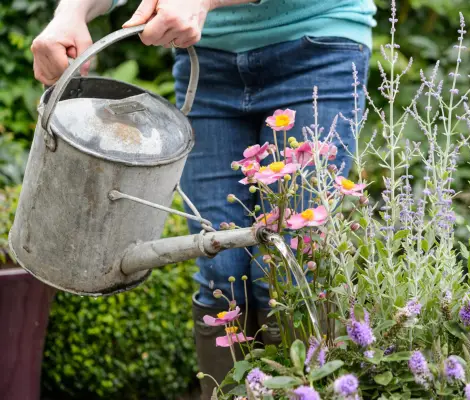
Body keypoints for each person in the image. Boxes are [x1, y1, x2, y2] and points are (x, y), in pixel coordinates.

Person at [32, 0, 375, 397]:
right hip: (207, 63)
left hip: (316, 50)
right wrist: (70, 14)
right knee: (219, 272)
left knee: (290, 267)